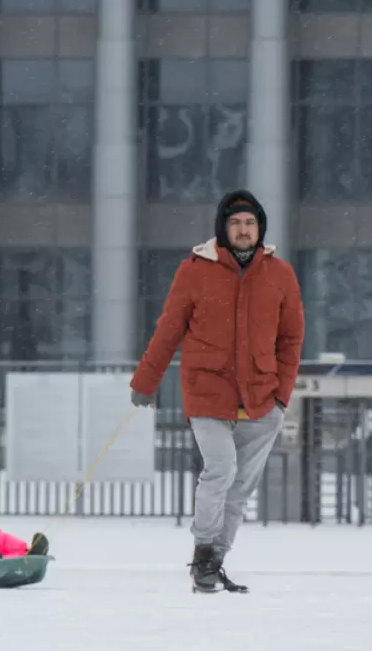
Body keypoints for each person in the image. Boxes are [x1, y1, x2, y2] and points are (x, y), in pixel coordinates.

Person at [129, 189, 305, 593]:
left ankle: (212, 562)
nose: (243, 230)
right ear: (223, 230)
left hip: (263, 397)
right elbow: (169, 329)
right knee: (221, 469)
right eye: (236, 223)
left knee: (241, 486)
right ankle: (204, 550)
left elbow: (291, 338)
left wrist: (281, 396)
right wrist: (145, 381)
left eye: (250, 224)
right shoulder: (194, 271)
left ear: (260, 229)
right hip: (208, 391)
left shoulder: (280, 274)